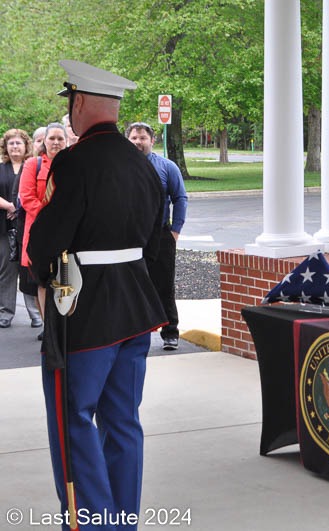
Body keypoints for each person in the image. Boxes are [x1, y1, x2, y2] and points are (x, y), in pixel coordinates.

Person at [28, 59, 165, 530]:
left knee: (73, 419)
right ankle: (122, 521)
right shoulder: (143, 163)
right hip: (137, 307)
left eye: (71, 101)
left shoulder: (73, 162)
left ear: (81, 101)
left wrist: (42, 278)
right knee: (122, 421)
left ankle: (91, 522)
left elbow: (44, 242)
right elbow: (156, 240)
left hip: (85, 313)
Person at [125, 121, 188, 350]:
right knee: (130, 285)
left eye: (142, 138)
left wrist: (175, 230)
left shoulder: (167, 167)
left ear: (152, 140)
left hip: (161, 236)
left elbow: (180, 198)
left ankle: (170, 332)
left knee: (164, 285)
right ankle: (132, 333)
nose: (138, 142)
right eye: (134, 138)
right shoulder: (121, 167)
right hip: (129, 237)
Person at [19, 123, 67, 321]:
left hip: (67, 231)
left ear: (66, 141)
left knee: (67, 279)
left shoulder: (73, 164)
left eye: (60, 138)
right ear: (44, 141)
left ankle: (65, 327)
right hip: (39, 233)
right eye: (52, 138)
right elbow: (26, 197)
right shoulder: (33, 164)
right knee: (43, 282)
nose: (56, 142)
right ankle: (49, 328)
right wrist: (51, 217)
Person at [0, 129, 33, 328]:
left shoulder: (32, 166)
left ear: (25, 145)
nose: (14, 146)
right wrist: (9, 206)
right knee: (6, 271)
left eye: (18, 143)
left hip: (27, 226)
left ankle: (35, 315)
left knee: (30, 270)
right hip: (4, 227)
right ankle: (6, 313)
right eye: (11, 143)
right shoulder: (0, 168)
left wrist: (20, 209)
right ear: (6, 147)